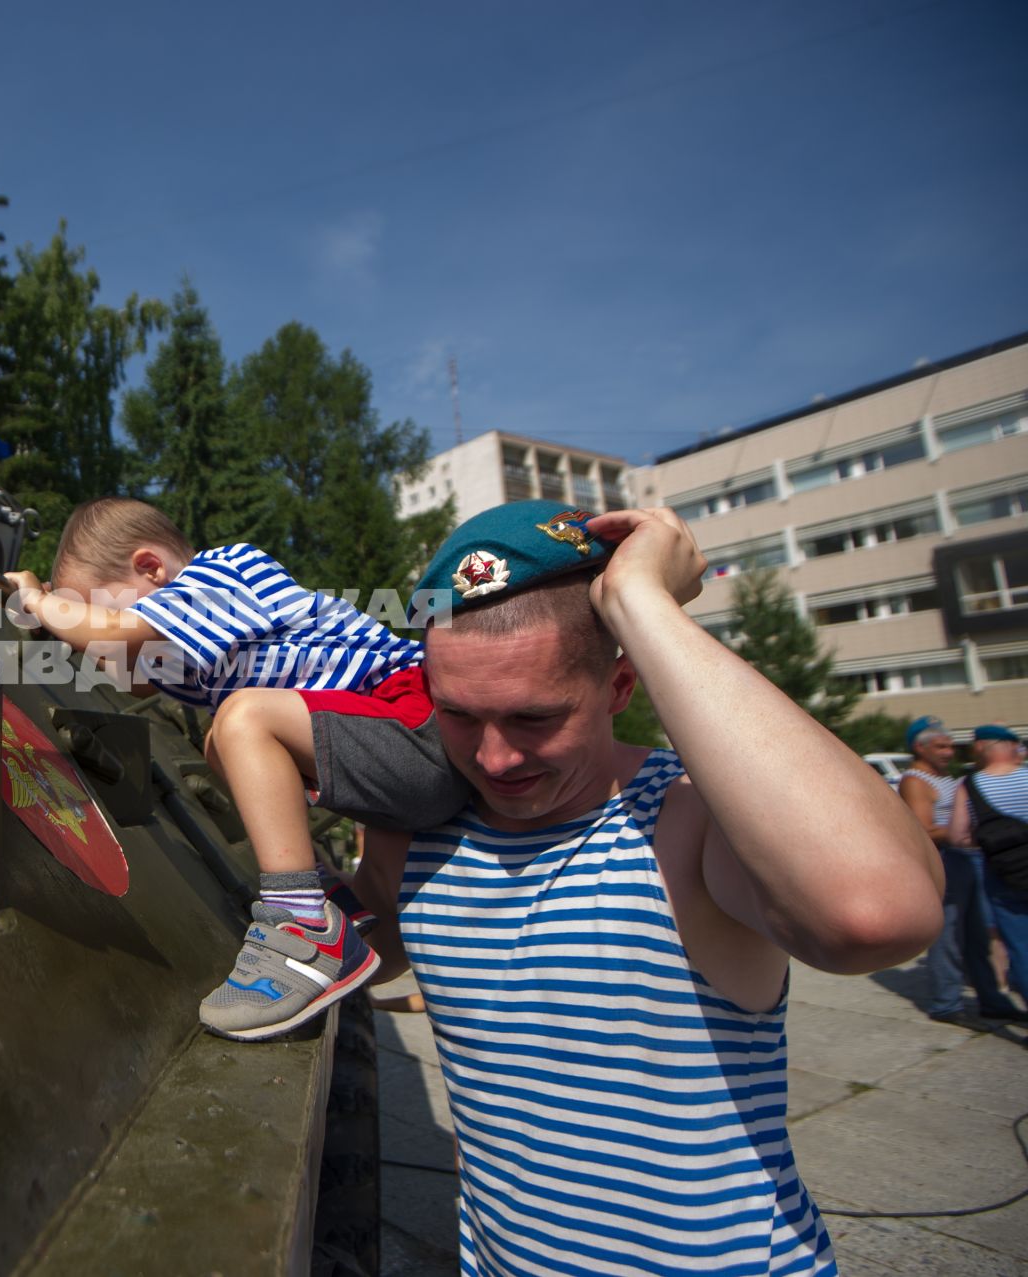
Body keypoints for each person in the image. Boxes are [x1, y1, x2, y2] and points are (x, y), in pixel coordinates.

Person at [348, 501, 941, 1275]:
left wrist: (641, 601)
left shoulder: (684, 820)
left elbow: (876, 913)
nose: (494, 760)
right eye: (459, 715)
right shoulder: (422, 826)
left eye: (534, 717)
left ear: (622, 683)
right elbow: (368, 946)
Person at [3, 497, 472, 1040]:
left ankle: (304, 924)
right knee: (224, 745)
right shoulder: (189, 646)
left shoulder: (222, 575)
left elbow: (118, 632)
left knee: (241, 719)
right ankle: (330, 914)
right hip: (383, 746)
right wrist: (66, 631)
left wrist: (39, 601)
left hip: (412, 720)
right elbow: (132, 673)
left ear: (151, 568)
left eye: (98, 608)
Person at [899, 717, 1021, 1024]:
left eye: (951, 746)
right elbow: (924, 830)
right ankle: (946, 1003)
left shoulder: (946, 778)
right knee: (948, 936)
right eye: (941, 746)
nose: (949, 752)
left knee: (978, 935)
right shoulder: (916, 781)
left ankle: (990, 999)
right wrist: (977, 828)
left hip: (967, 860)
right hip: (946, 862)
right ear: (919, 747)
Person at [947, 725, 1028, 1007]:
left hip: (1002, 873)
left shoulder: (970, 785)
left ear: (982, 748)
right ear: (1013, 748)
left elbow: (958, 836)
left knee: (1019, 946)